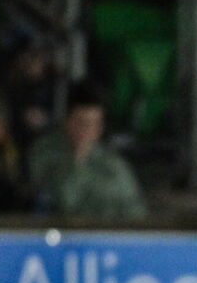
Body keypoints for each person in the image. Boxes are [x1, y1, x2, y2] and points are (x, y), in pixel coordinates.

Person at [27, 83, 146, 219]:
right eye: (82, 122)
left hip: (108, 229)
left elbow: (134, 208)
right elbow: (64, 201)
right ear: (67, 121)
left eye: (95, 123)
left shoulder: (112, 161)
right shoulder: (44, 152)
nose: (88, 130)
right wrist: (79, 158)